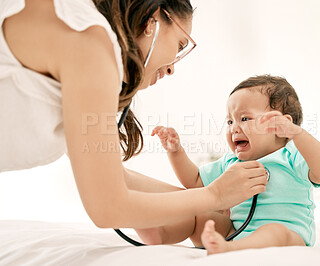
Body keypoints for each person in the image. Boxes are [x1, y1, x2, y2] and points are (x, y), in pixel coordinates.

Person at [0, 0, 268, 235]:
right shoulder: (91, 45)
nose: (173, 67)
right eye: (180, 44)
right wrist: (214, 195)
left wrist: (210, 203)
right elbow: (108, 206)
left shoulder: (87, 37)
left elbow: (117, 179)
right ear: (153, 20)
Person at [151, 74, 320, 254]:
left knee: (274, 231)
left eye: (245, 118)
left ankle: (229, 250)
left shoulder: (291, 156)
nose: (233, 128)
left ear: (282, 126)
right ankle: (160, 233)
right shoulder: (232, 163)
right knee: (197, 216)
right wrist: (175, 152)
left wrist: (297, 133)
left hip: (288, 238)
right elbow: (196, 181)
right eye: (230, 121)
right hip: (235, 232)